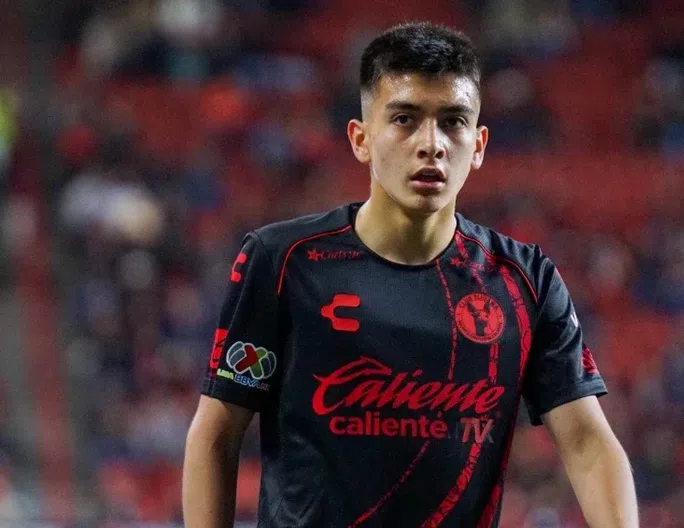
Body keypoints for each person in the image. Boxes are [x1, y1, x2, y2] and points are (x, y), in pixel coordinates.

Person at [183, 22, 638, 527]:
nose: (431, 144)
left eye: (453, 121)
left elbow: (587, 442)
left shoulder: (525, 281)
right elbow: (217, 433)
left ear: (479, 145)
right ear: (361, 139)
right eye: (404, 118)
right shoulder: (282, 261)